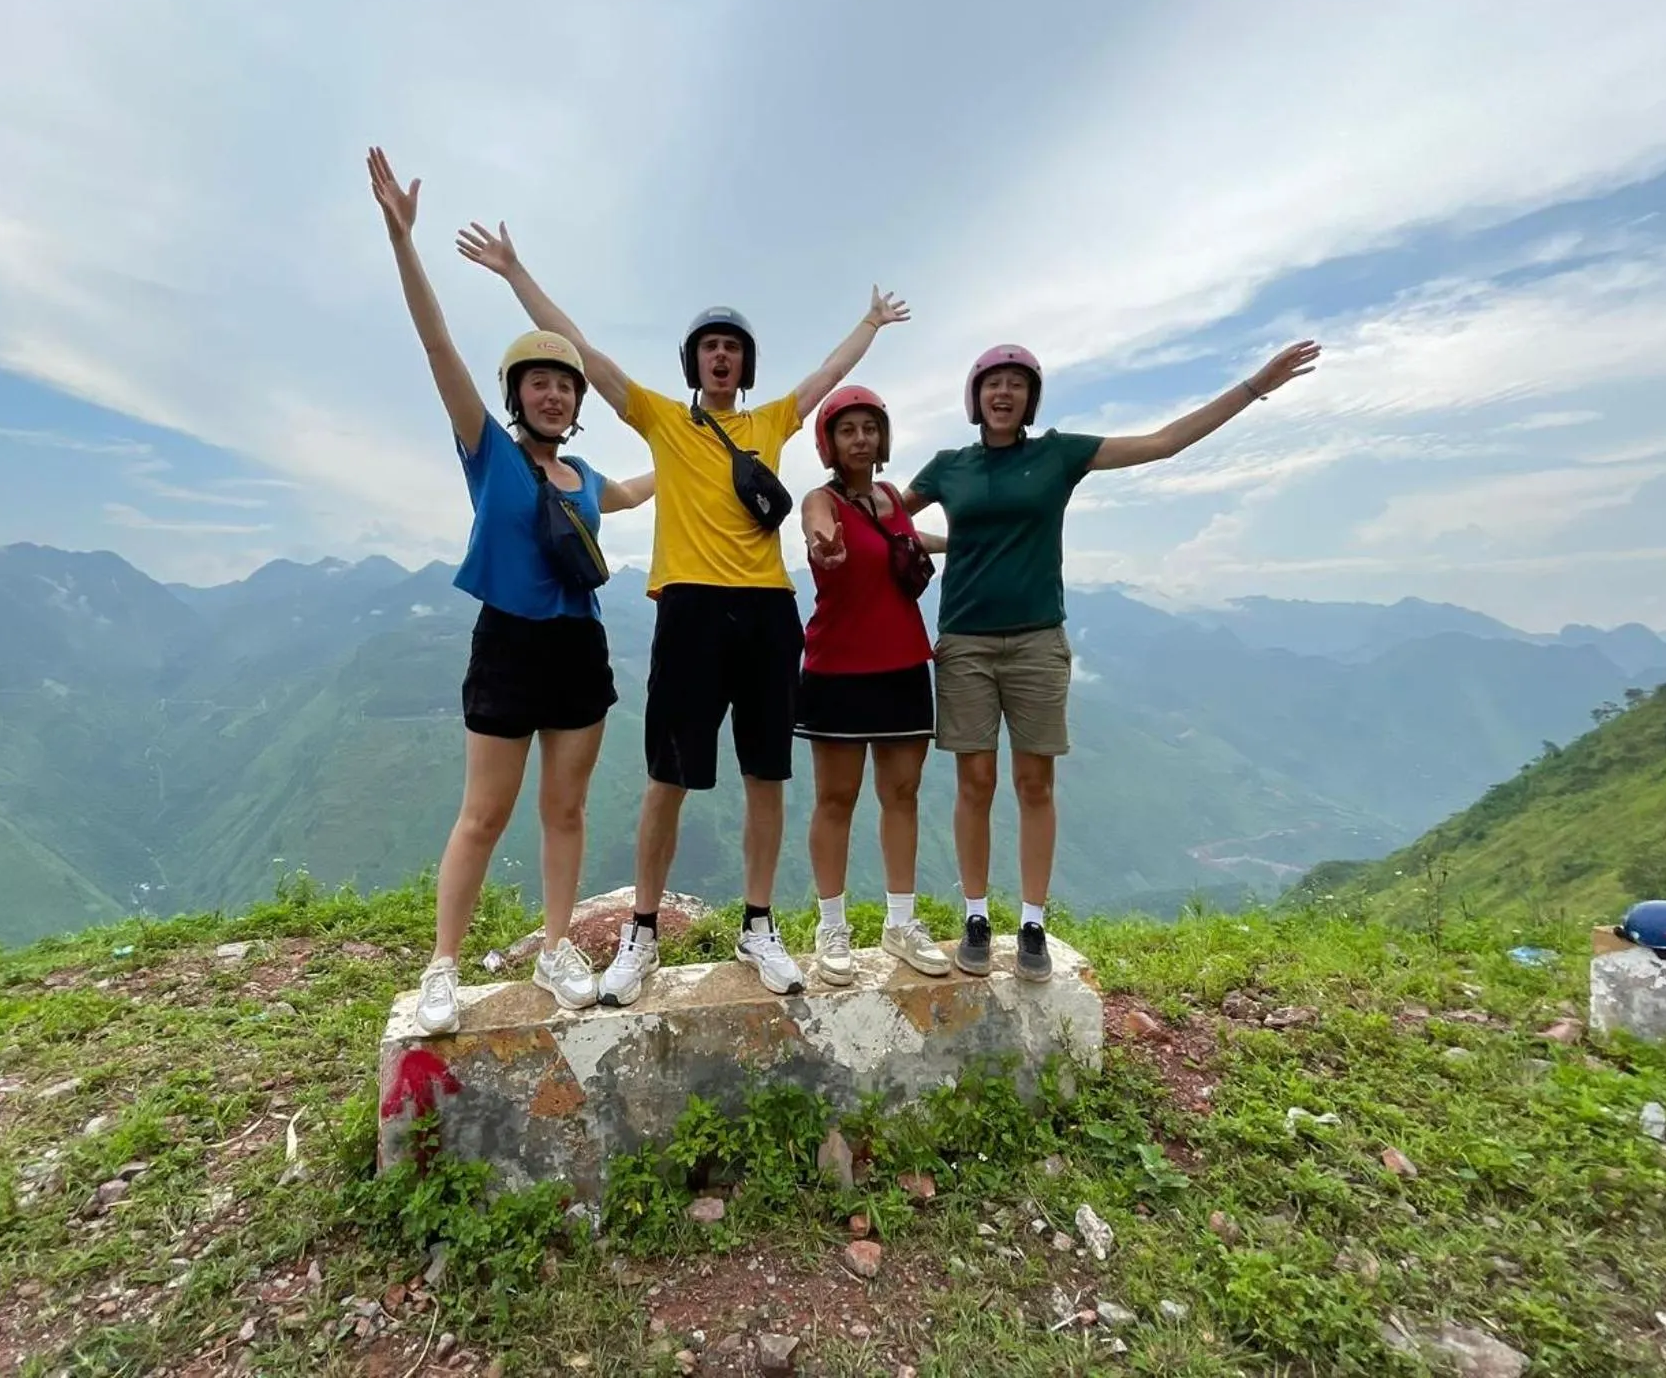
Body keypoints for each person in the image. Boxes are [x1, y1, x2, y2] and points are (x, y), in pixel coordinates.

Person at [457, 219, 909, 1003]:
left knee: (767, 774)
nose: (723, 356)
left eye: (733, 347)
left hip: (769, 610)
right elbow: (584, 354)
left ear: (745, 362)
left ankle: (758, 924)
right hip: (691, 610)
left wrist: (868, 324)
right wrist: (514, 272)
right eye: (710, 347)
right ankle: (641, 932)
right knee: (668, 777)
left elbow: (823, 378)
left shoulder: (770, 423)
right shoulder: (664, 418)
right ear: (695, 363)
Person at [903, 338, 1322, 981]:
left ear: (1031, 397)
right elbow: (880, 515)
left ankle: (1034, 922)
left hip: (1039, 640)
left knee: (1035, 782)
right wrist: (828, 516)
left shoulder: (1058, 454)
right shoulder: (947, 467)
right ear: (975, 397)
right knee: (975, 783)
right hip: (965, 643)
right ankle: (977, 916)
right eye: (992, 384)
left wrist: (1253, 385)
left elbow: (1163, 442)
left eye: (1017, 384)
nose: (1004, 394)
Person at [366, 148, 655, 1036]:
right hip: (508, 641)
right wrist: (402, 239)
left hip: (578, 648)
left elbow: (646, 488)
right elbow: (435, 341)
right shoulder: (486, 451)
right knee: (483, 813)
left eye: (566, 386)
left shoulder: (587, 476)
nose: (557, 394)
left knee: (564, 808)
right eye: (542, 382)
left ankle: (557, 945)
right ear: (516, 394)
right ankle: (443, 965)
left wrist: (713, 458)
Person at [796, 386, 953, 984]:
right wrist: (823, 542)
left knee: (902, 794)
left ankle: (900, 922)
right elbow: (819, 526)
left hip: (905, 664)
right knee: (836, 800)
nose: (861, 439)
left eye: (870, 428)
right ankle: (831, 927)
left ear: (882, 438)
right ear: (829, 442)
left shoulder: (891, 498)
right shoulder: (821, 500)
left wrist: (967, 540)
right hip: (837, 670)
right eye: (848, 430)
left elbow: (904, 541)